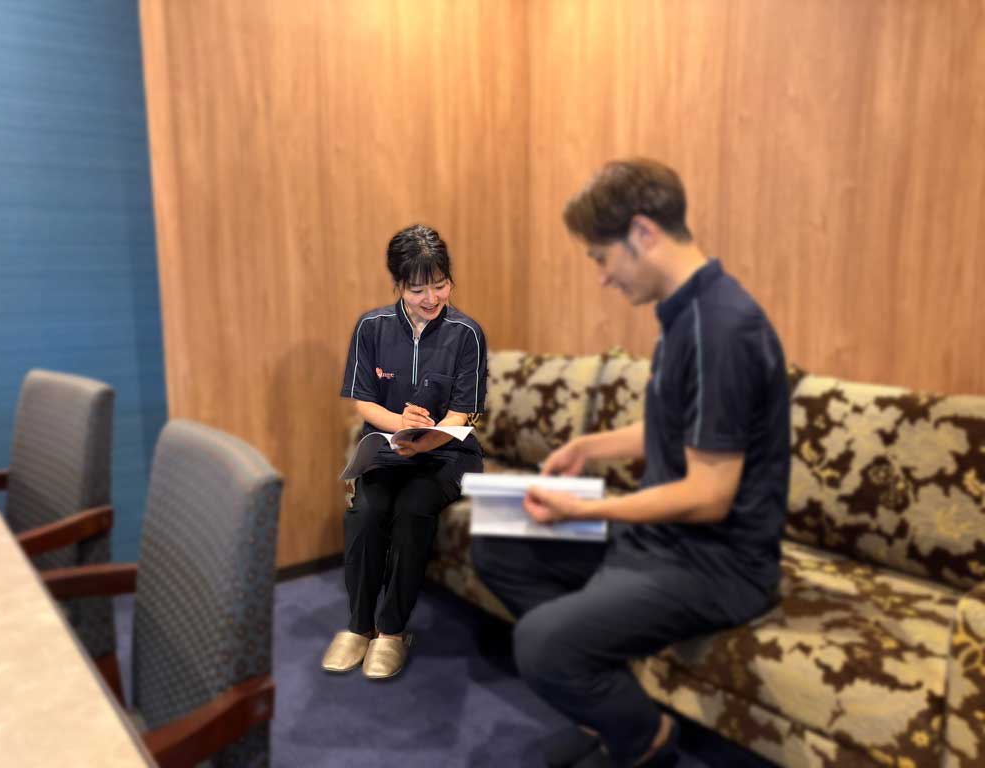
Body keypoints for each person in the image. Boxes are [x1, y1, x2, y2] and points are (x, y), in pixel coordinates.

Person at [471, 159, 791, 767]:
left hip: (718, 564)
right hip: (666, 541)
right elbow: (680, 427)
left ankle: (646, 740)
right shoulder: (686, 313)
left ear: (642, 233)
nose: (602, 277)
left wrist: (587, 508)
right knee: (499, 547)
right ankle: (602, 696)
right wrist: (590, 447)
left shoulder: (722, 329)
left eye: (601, 257)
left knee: (539, 644)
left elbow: (709, 495)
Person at [323, 223, 487, 680]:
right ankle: (359, 626)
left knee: (413, 508)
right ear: (397, 285)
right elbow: (363, 402)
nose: (431, 298)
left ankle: (392, 631)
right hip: (387, 450)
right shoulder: (371, 327)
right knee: (367, 511)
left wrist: (427, 439)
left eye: (441, 285)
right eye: (418, 289)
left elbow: (462, 414)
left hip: (447, 454)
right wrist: (401, 428)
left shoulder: (466, 333)